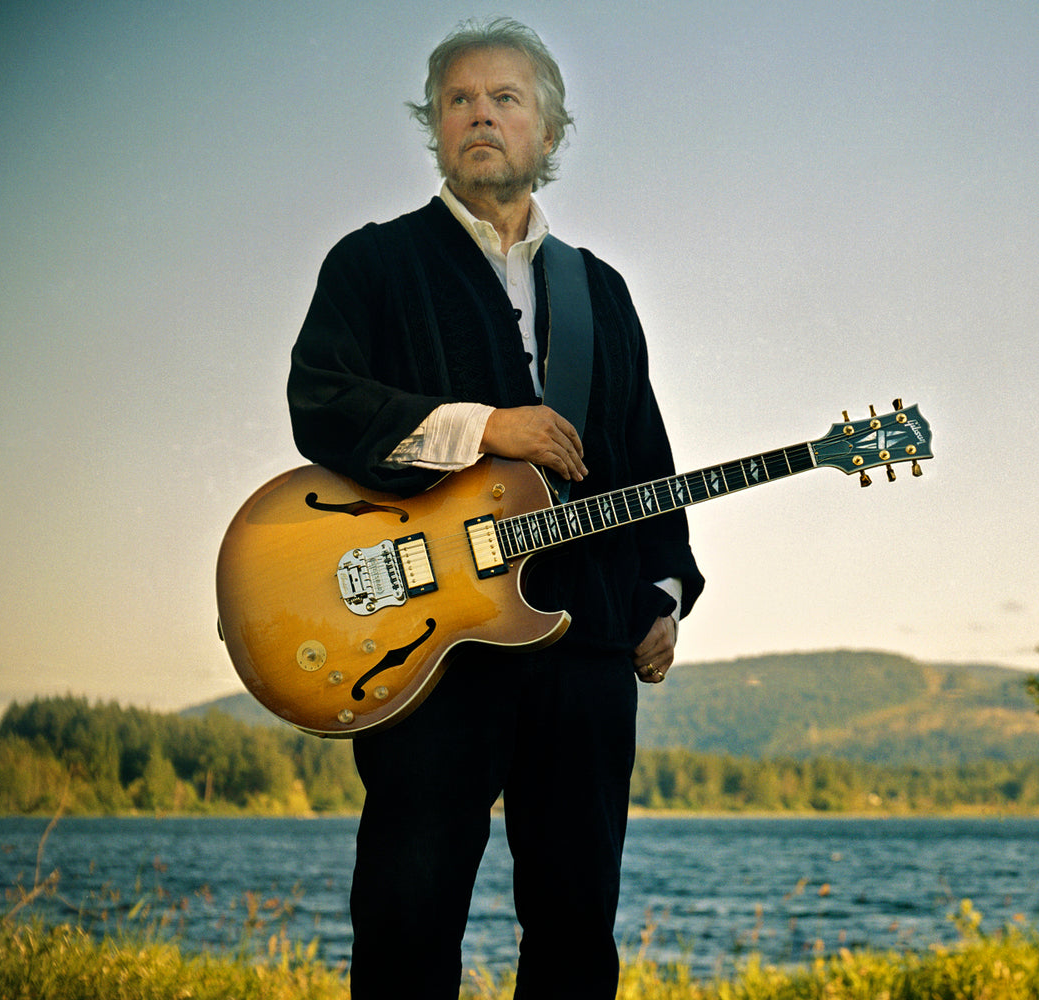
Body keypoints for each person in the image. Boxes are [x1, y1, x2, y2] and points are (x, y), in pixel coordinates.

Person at [285, 17, 704, 998]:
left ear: (548, 134)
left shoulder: (600, 289)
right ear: (435, 129)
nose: (480, 115)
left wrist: (663, 590)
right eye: (458, 101)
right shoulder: (374, 264)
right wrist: (484, 427)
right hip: (434, 649)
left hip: (588, 650)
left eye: (505, 98)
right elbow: (323, 404)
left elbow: (645, 458)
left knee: (574, 927)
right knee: (407, 917)